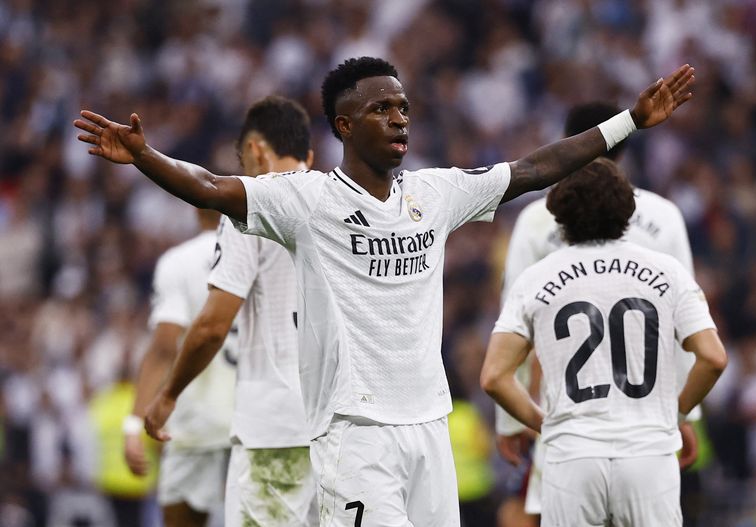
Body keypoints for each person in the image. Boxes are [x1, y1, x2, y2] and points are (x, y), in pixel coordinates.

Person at [74, 56, 694, 526]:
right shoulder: (306, 200)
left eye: (403, 108)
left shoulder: (436, 194)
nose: (399, 118)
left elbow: (536, 168)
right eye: (381, 110)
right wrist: (145, 156)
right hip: (353, 430)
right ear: (344, 125)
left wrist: (630, 121)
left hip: (428, 426)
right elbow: (211, 187)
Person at [481, 158, 727, 526]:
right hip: (648, 454)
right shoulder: (668, 272)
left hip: (572, 455)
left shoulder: (535, 278)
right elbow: (713, 358)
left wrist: (544, 423)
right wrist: (675, 414)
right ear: (627, 208)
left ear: (558, 213)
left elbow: (494, 377)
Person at [144, 96, 319, 526]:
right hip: (343, 425)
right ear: (309, 157)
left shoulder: (251, 204)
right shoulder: (344, 203)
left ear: (255, 152)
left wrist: (167, 394)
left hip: (276, 424)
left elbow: (210, 326)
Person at [122, 207, 237, 527]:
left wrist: (134, 425)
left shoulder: (179, 261)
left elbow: (163, 347)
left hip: (196, 423)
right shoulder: (271, 250)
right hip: (261, 423)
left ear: (196, 207)